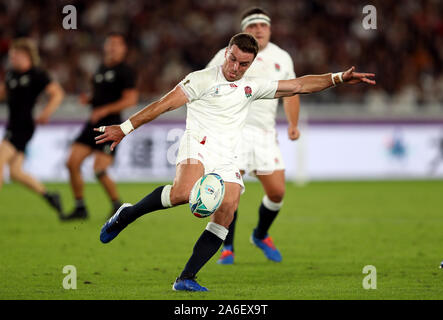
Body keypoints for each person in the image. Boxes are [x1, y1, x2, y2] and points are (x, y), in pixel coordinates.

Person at [95, 33, 375, 291]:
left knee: (227, 210)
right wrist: (125, 127)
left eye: (244, 64)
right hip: (198, 145)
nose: (236, 68)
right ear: (226, 53)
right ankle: (126, 214)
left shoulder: (252, 86)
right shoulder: (201, 79)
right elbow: (165, 104)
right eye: (233, 59)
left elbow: (300, 84)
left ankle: (186, 278)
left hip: (227, 155)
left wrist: (338, 78)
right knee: (182, 193)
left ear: (251, 63)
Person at [207, 7, 300, 264]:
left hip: (265, 134)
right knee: (231, 195)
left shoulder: (282, 57)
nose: (259, 29)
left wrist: (292, 124)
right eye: (253, 26)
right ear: (243, 31)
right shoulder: (225, 55)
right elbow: (206, 86)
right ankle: (227, 248)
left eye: (263, 25)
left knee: (277, 193)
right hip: (233, 133)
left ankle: (260, 235)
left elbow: (292, 92)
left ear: (269, 29)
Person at [64, 33, 138, 220]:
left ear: (123, 49)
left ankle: (118, 206)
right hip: (93, 123)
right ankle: (80, 207)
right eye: (110, 43)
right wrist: (89, 99)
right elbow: (100, 96)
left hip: (111, 125)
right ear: (105, 47)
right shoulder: (101, 69)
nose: (112, 47)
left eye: (116, 44)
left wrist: (104, 110)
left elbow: (130, 99)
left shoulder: (125, 71)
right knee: (71, 163)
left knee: (99, 169)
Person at [0, 38, 64, 217]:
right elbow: (3, 92)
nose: (11, 59)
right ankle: (50, 196)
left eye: (15, 55)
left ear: (26, 55)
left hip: (24, 127)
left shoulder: (37, 75)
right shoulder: (12, 74)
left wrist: (46, 112)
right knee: (15, 172)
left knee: (0, 160)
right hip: (12, 126)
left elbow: (57, 93)